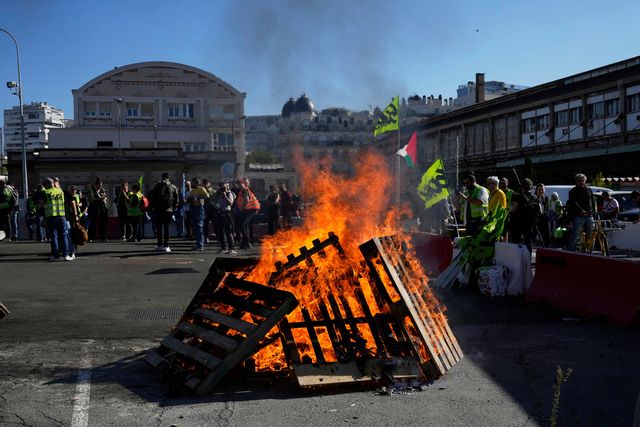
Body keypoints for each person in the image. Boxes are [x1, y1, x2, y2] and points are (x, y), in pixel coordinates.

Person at [41, 178, 72, 261]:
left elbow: (41, 205)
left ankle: (56, 256)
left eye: (44, 185)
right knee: (64, 235)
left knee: (54, 236)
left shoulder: (46, 192)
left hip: (51, 216)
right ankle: (66, 255)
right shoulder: (60, 191)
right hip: (62, 216)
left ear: (47, 184)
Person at [150, 172, 179, 252]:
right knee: (167, 228)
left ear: (162, 177)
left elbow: (152, 197)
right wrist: (173, 209)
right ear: (168, 178)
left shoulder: (157, 186)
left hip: (158, 210)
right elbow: (176, 199)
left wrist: (153, 207)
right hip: (168, 210)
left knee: (159, 228)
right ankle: (166, 246)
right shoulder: (172, 187)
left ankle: (159, 244)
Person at [566, 173, 596, 251]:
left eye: (583, 181)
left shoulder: (588, 189)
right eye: (580, 181)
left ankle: (589, 252)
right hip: (578, 216)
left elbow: (592, 201)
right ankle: (570, 252)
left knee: (590, 236)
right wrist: (580, 210)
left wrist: (594, 211)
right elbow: (573, 202)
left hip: (589, 215)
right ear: (576, 181)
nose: (582, 182)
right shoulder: (573, 191)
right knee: (575, 235)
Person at [509, 178, 538, 253]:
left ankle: (516, 258)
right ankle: (529, 257)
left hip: (518, 222)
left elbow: (513, 209)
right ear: (531, 187)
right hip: (529, 223)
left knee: (516, 241)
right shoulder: (535, 197)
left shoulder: (517, 196)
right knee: (528, 241)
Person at [456, 172, 488, 237]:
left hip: (479, 222)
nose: (466, 185)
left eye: (467, 182)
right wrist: (455, 198)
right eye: (464, 183)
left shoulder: (481, 190)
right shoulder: (467, 192)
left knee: (477, 242)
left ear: (473, 181)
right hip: (468, 223)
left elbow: (480, 202)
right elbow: (459, 207)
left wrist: (464, 198)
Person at [236, 178, 261, 249]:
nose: (238, 185)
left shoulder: (245, 190)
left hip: (251, 209)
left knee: (242, 225)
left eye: (240, 184)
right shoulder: (243, 190)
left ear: (244, 184)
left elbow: (246, 200)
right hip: (248, 209)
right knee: (244, 225)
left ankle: (247, 241)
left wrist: (241, 208)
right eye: (237, 184)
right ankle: (245, 243)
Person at [214, 181, 236, 254]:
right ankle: (223, 248)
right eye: (221, 186)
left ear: (227, 187)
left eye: (223, 186)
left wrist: (225, 196)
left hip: (227, 213)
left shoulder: (230, 193)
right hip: (220, 213)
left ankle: (231, 248)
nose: (222, 188)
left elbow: (231, 203)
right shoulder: (219, 194)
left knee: (228, 231)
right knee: (221, 232)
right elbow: (216, 202)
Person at [188, 178, 209, 251]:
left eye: (192, 183)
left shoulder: (201, 189)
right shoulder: (192, 191)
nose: (191, 184)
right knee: (195, 228)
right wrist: (188, 199)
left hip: (199, 208)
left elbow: (207, 196)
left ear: (196, 183)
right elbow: (190, 198)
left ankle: (200, 245)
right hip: (193, 208)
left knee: (199, 227)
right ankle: (198, 244)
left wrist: (197, 197)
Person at [88, 177, 109, 242]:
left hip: (102, 209)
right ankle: (91, 237)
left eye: (100, 185)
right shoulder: (91, 190)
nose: (99, 187)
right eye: (98, 186)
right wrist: (100, 199)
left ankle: (103, 237)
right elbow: (91, 200)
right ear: (96, 185)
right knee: (92, 224)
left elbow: (105, 199)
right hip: (93, 209)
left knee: (103, 223)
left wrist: (104, 200)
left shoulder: (103, 190)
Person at [534, 183, 549, 247]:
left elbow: (547, 207)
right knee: (532, 236)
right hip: (535, 219)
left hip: (543, 219)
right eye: (539, 189)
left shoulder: (545, 198)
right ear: (536, 190)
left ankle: (546, 250)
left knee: (545, 236)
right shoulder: (533, 198)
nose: (541, 191)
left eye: (542, 189)